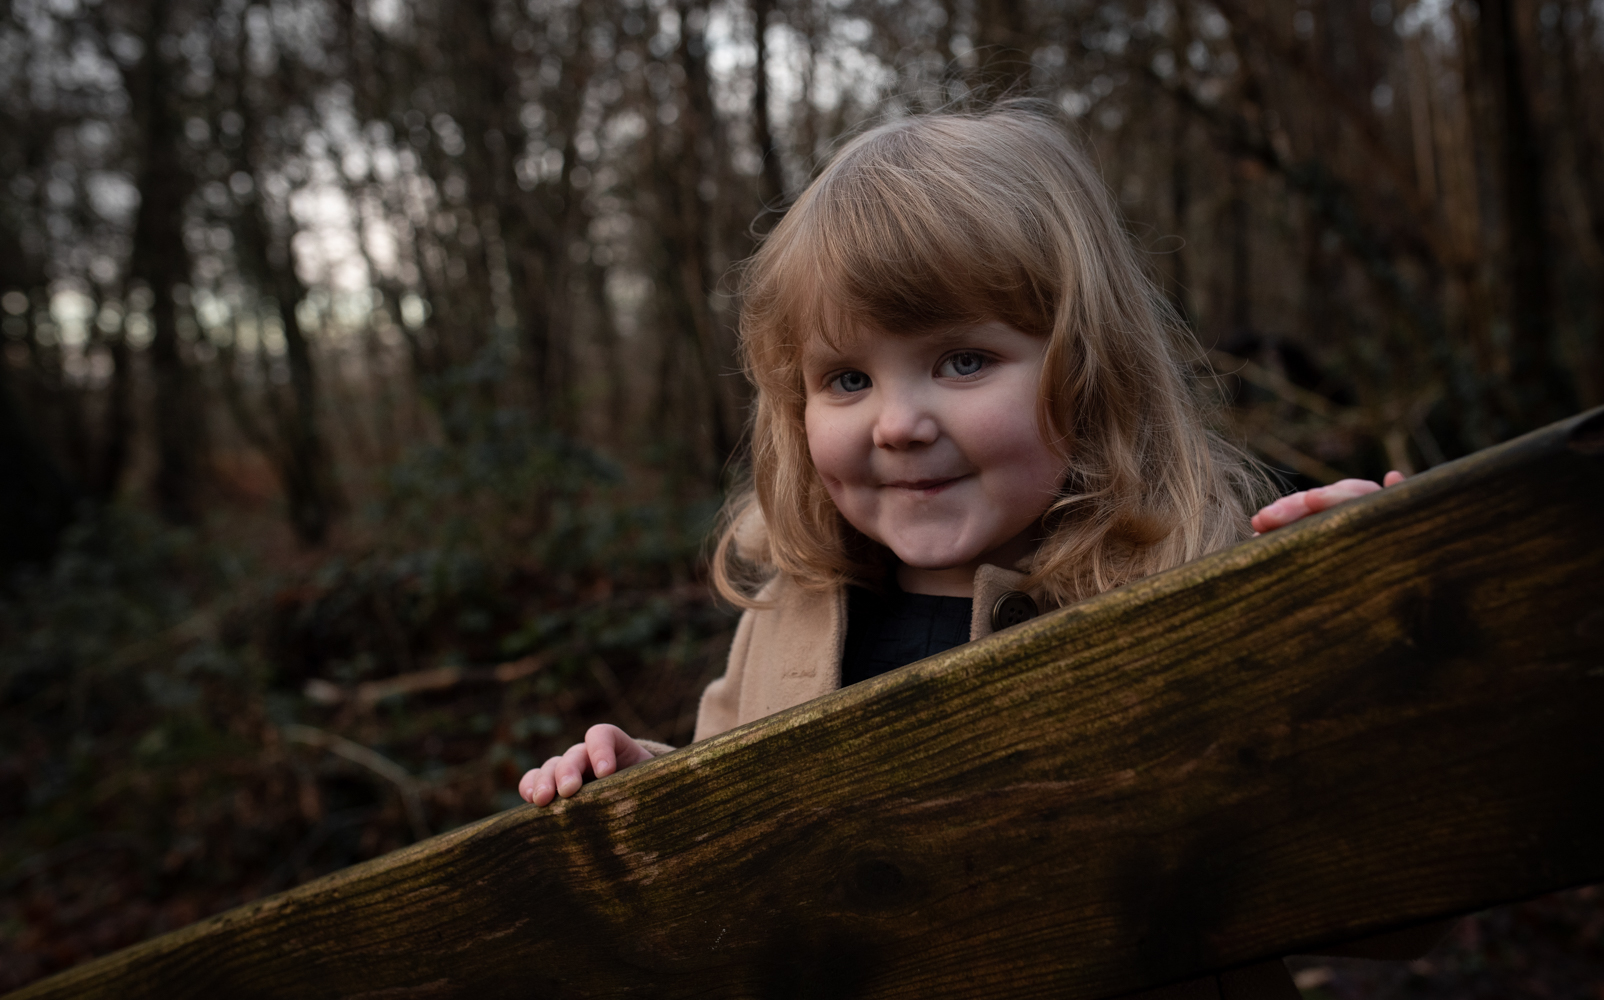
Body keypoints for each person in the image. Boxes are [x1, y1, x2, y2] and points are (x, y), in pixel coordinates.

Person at [517, 103, 1423, 995]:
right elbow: (736, 869)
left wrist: (1355, 633)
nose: (899, 424)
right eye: (847, 378)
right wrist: (646, 797)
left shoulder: (1193, 582)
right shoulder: (789, 615)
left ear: (1091, 369)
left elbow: (1398, 895)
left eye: (962, 361)